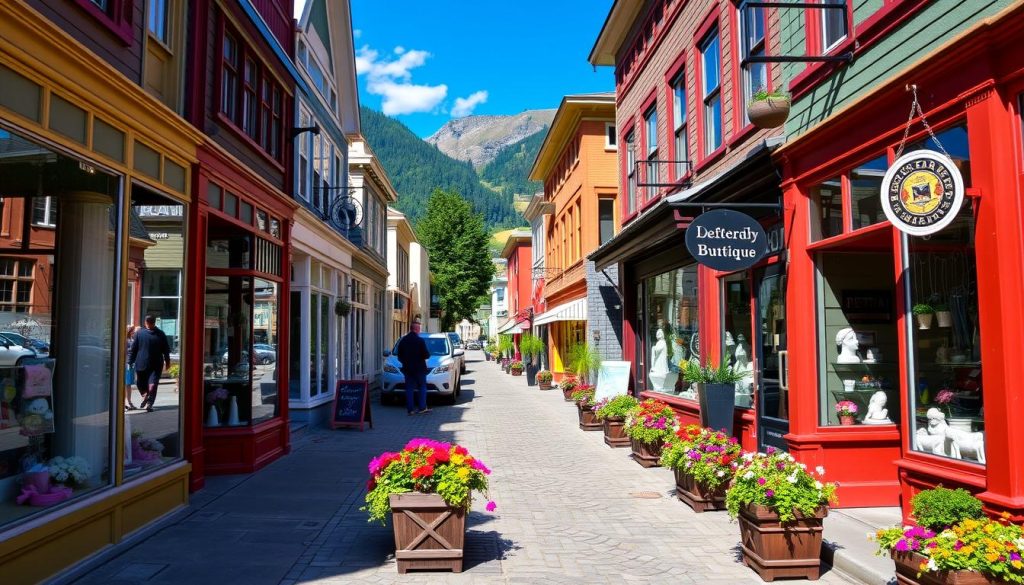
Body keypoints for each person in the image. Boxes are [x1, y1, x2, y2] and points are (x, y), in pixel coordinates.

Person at [128, 315, 171, 412]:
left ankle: (146, 397)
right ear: (154, 322)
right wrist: (167, 362)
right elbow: (166, 350)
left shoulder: (140, 333)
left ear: (145, 322)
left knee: (143, 383)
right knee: (151, 384)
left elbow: (133, 349)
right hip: (153, 364)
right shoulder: (160, 334)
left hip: (143, 363)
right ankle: (148, 402)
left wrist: (130, 361)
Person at [396, 320, 430, 415]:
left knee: (409, 388)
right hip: (420, 369)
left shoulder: (403, 340)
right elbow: (426, 355)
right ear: (417, 329)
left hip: (408, 369)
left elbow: (399, 356)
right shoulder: (420, 341)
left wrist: (405, 362)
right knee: (422, 387)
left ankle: (410, 410)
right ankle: (422, 407)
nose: (420, 330)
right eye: (419, 328)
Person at [124, 324, 139, 411]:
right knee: (127, 384)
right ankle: (127, 402)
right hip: (127, 364)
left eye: (133, 330)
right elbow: (124, 353)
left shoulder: (131, 339)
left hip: (130, 364)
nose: (133, 332)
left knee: (128, 384)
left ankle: (128, 401)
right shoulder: (126, 341)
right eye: (131, 330)